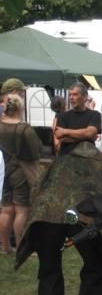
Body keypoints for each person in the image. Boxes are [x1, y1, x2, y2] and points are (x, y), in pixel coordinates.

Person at [16, 82, 102, 295]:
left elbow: (68, 136)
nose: (72, 97)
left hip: (48, 217)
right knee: (95, 267)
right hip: (81, 218)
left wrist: (67, 134)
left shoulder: (57, 167)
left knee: (49, 270)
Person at [0, 95, 41, 254]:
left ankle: (5, 247)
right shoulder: (24, 129)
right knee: (22, 211)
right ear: (20, 108)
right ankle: (20, 247)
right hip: (21, 173)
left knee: (6, 210)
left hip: (4, 172)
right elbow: (35, 152)